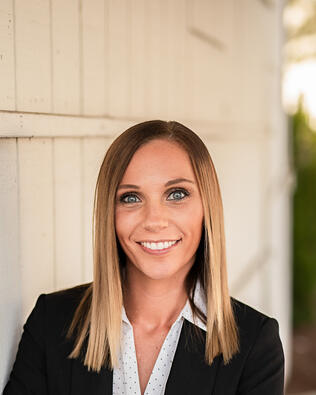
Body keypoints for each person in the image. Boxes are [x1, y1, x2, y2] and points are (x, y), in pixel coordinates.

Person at [3, 120, 285, 395]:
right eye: (131, 198)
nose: (154, 220)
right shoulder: (51, 322)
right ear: (109, 215)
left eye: (176, 194)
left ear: (206, 208)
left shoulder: (255, 344)